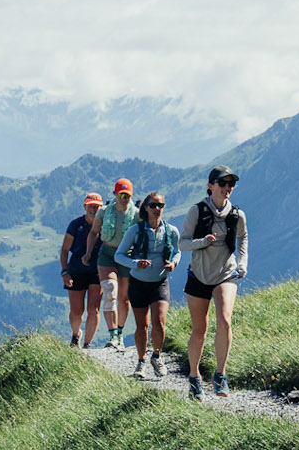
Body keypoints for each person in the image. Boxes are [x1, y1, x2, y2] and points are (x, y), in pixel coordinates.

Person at [179, 166, 248, 401]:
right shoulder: (197, 211)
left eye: (231, 184)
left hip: (225, 274)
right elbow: (183, 243)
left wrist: (242, 262)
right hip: (198, 274)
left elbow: (243, 236)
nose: (227, 188)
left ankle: (220, 375)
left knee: (225, 321)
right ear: (211, 186)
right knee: (200, 331)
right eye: (222, 183)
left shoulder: (237, 214)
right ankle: (194, 377)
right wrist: (202, 242)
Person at [118, 191, 180, 378]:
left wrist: (174, 263)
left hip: (160, 282)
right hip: (138, 282)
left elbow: (177, 252)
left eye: (160, 205)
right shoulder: (135, 231)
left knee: (159, 323)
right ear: (145, 207)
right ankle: (141, 362)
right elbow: (118, 255)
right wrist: (135, 264)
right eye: (152, 205)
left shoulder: (171, 231)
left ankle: (156, 356)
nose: (156, 209)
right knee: (141, 326)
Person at [95, 179, 139, 350]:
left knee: (124, 298)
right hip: (107, 253)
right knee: (110, 290)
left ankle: (120, 333)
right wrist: (87, 252)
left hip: (127, 256)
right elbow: (94, 232)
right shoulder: (104, 212)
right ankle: (112, 334)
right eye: (120, 194)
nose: (123, 198)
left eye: (126, 195)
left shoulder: (136, 214)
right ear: (114, 194)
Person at [60, 193, 105, 348]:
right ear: (85, 206)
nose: (93, 209)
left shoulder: (106, 224)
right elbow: (65, 249)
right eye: (90, 205)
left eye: (96, 206)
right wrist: (65, 271)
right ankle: (75, 334)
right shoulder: (76, 225)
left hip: (98, 270)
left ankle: (87, 344)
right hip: (76, 270)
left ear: (101, 208)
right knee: (76, 311)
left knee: (94, 309)